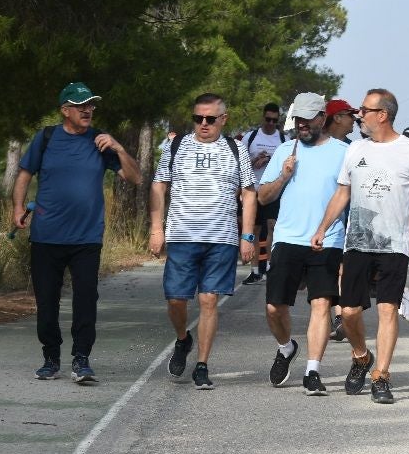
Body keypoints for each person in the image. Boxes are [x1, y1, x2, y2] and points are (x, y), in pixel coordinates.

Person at [311, 88, 409, 404]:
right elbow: (343, 193)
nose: (359, 117)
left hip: (393, 245)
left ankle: (381, 376)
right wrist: (322, 228)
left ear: (382, 115)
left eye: (364, 111)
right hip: (357, 243)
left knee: (387, 310)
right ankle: (360, 355)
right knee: (351, 312)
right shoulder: (355, 149)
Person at [13, 82, 142, 382]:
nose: (88, 110)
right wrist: (17, 207)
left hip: (87, 238)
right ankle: (50, 358)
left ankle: (81, 359)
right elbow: (24, 174)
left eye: (91, 104)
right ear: (65, 110)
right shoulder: (46, 138)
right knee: (47, 301)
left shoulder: (100, 141)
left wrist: (120, 148)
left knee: (86, 300)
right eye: (80, 105)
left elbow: (134, 178)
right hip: (46, 236)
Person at [149, 93, 257, 390]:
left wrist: (247, 235)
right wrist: (156, 228)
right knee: (176, 299)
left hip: (221, 238)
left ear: (224, 118)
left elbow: (249, 193)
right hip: (182, 235)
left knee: (209, 300)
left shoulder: (237, 149)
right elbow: (159, 186)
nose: (204, 124)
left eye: (210, 119)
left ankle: (202, 365)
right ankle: (183, 339)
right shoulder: (175, 145)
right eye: (198, 118)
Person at [256, 93, 348, 396]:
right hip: (288, 238)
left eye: (308, 119)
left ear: (323, 118)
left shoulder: (343, 152)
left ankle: (312, 371)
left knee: (321, 304)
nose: (302, 125)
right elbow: (263, 196)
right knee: (273, 308)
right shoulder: (286, 150)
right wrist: (283, 175)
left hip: (328, 238)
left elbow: (350, 197)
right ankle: (286, 348)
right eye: (298, 120)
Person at [323, 97, 358, 341]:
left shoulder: (352, 149)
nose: (354, 120)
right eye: (350, 115)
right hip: (315, 225)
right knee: (322, 278)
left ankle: (339, 318)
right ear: (336, 118)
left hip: (345, 222)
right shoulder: (314, 145)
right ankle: (328, 319)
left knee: (341, 271)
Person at [241, 102, 286, 284]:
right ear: (263, 118)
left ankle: (268, 267)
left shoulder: (283, 139)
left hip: (273, 190)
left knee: (272, 227)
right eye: (267, 119)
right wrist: (254, 160)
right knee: (254, 229)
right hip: (253, 189)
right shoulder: (250, 138)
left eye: (274, 120)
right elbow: (241, 164)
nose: (270, 123)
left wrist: (270, 159)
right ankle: (254, 270)